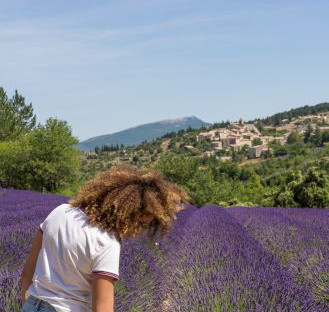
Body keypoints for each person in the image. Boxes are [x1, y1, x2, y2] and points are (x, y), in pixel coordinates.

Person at [20, 164, 191, 312]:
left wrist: (28, 303)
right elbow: (102, 308)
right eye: (141, 224)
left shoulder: (60, 212)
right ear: (126, 214)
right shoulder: (106, 243)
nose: (138, 231)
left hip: (31, 305)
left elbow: (28, 272)